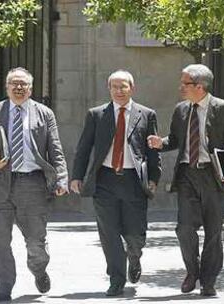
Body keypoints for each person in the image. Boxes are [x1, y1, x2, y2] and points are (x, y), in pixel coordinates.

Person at [148, 64, 224, 297]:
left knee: (213, 232)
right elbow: (176, 139)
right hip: (187, 175)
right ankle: (193, 271)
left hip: (213, 176)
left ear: (199, 86)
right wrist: (161, 142)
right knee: (184, 228)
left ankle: (209, 280)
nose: (181, 87)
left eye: (185, 83)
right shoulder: (181, 110)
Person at [0, 67, 68, 302]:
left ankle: (38, 269)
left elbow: (55, 149)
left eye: (23, 84)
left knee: (36, 240)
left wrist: (61, 178)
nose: (19, 88)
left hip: (32, 185)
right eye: (14, 84)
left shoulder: (44, 114)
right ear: (7, 87)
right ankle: (3, 285)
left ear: (31, 88)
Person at [71, 70, 161, 296]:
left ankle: (135, 256)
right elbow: (84, 148)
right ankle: (116, 279)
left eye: (124, 87)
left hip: (134, 181)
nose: (119, 91)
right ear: (109, 89)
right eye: (115, 87)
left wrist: (154, 178)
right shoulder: (96, 114)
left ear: (132, 88)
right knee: (109, 233)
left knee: (135, 234)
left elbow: (153, 151)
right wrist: (77, 176)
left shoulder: (147, 114)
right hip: (105, 180)